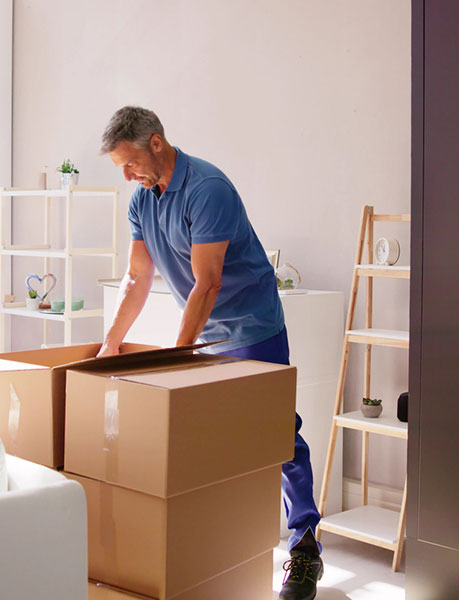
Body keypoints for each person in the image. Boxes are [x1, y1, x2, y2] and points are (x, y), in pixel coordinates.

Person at [98, 106, 323, 600]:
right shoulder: (141, 200)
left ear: (156, 142)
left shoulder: (207, 189)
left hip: (251, 325)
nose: (127, 174)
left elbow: (208, 280)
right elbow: (137, 276)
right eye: (120, 167)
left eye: (129, 161)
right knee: (212, 437)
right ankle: (224, 550)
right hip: (205, 331)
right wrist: (111, 342)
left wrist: (175, 355)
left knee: (276, 432)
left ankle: (305, 546)